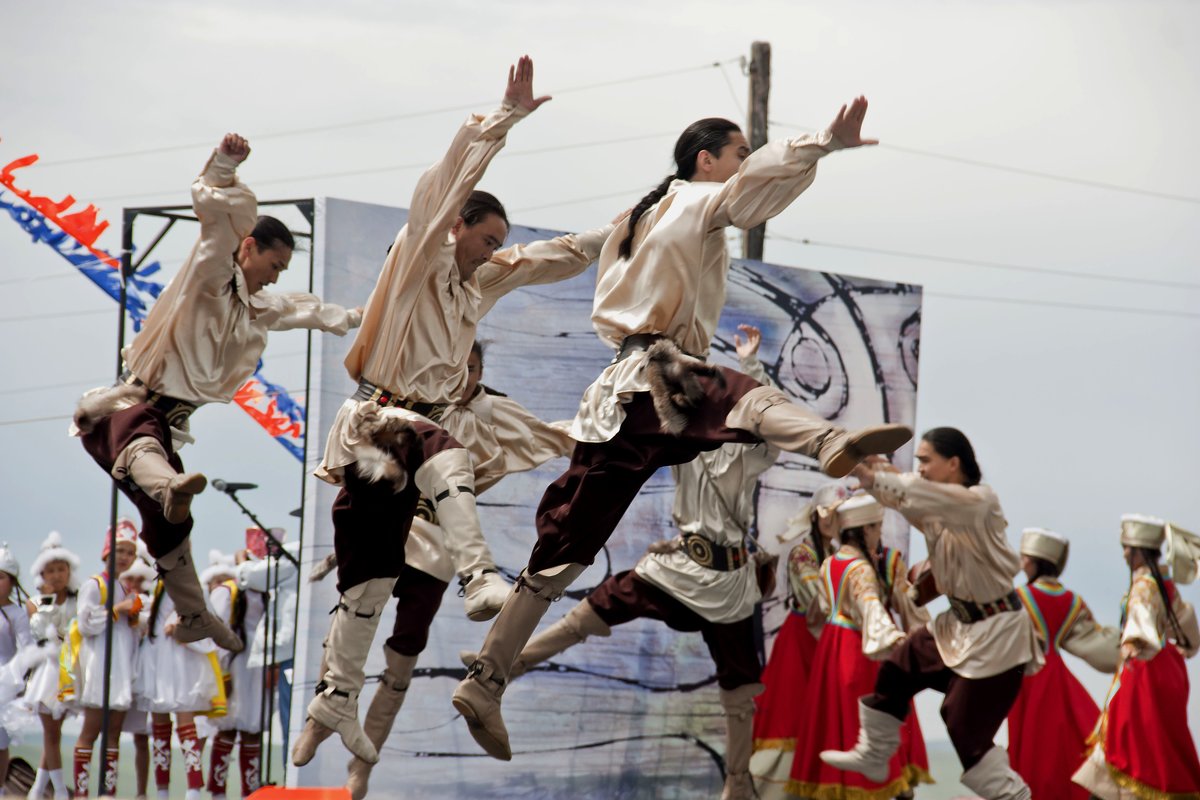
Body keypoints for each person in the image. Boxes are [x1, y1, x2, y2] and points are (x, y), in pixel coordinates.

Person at [454, 97, 913, 762]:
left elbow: (571, 251)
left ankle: (487, 679)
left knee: (564, 553)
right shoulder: (694, 203)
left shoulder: (633, 219)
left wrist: (489, 267)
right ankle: (827, 442)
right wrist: (821, 143)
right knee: (743, 399)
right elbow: (752, 197)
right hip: (660, 376)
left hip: (615, 393)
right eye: (737, 156)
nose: (743, 168)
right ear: (708, 162)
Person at [297, 55, 613, 766]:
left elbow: (560, 255)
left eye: (498, 244)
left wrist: (639, 223)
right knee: (442, 448)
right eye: (485, 240)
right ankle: (478, 576)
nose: (491, 253)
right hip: (379, 423)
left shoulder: (480, 285)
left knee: (370, 584)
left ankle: (335, 704)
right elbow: (443, 191)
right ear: (458, 229)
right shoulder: (421, 259)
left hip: (412, 458)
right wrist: (503, 119)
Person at [459, 324, 782, 798]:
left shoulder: (747, 456)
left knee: (739, 682)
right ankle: (514, 663)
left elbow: (765, 419)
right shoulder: (686, 440)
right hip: (679, 565)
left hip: (728, 578)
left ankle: (737, 782)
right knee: (598, 605)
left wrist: (750, 364)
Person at [71, 132, 362, 654]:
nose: (276, 276)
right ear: (248, 248)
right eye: (274, 264)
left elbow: (314, 311)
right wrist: (225, 163)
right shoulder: (210, 275)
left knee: (172, 533)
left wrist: (373, 318)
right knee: (146, 456)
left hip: (168, 423)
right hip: (129, 407)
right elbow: (212, 212)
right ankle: (168, 490)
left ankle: (193, 616)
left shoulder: (257, 306)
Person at [341, 339, 577, 800]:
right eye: (457, 367)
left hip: (437, 546)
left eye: (472, 368)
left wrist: (613, 432)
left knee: (402, 658)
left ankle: (361, 766)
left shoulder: (496, 411)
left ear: (481, 370)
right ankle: (326, 711)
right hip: (390, 526)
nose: (463, 377)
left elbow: (554, 435)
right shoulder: (419, 396)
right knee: (350, 625)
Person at [820, 428, 1041, 800]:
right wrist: (880, 473)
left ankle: (1015, 797)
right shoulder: (940, 508)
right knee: (899, 666)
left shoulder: (979, 502)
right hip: (958, 626)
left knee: (962, 727)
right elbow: (914, 500)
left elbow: (921, 497)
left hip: (996, 637)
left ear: (954, 464)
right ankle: (876, 754)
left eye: (925, 460)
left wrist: (873, 476)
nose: (919, 467)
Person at [789, 494, 931, 798]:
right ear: (863, 529)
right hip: (859, 650)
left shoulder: (830, 563)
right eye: (876, 527)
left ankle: (837, 785)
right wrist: (896, 641)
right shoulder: (863, 569)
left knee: (832, 724)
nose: (879, 532)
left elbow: (822, 609)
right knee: (863, 724)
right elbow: (871, 610)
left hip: (832, 646)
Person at [1072, 515, 1200, 799]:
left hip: (1144, 670)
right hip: (1169, 669)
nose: (1125, 554)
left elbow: (1139, 626)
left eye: (1128, 548)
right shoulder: (1166, 585)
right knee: (1161, 742)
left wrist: (1131, 642)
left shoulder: (1143, 585)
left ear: (1141, 549)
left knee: (1129, 740)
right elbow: (1189, 633)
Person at [750, 482, 848, 799]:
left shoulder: (840, 555)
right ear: (816, 516)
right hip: (801, 644)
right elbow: (819, 601)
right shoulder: (802, 554)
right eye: (828, 514)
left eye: (839, 514)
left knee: (828, 722)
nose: (833, 520)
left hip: (829, 644)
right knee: (789, 717)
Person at [1006, 528, 1118, 799]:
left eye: (1025, 559)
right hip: (1058, 674)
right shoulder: (1073, 601)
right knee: (1065, 742)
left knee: (1032, 743)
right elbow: (1094, 642)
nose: (1022, 564)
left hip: (1030, 676)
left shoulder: (1020, 597)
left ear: (1034, 561)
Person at [66, 519, 143, 798]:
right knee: (92, 729)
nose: (124, 557)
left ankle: (107, 792)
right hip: (100, 664)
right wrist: (118, 608)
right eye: (120, 551)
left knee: (114, 731)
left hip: (120, 664)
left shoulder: (122, 586)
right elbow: (85, 624)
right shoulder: (94, 584)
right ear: (108, 552)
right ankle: (83, 793)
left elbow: (124, 626)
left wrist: (132, 617)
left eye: (130, 552)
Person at [136, 556, 222, 800]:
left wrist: (181, 627)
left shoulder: (193, 585)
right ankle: (162, 791)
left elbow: (210, 620)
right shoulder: (159, 584)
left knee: (186, 725)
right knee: (160, 728)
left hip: (183, 659)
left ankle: (193, 790)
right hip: (158, 659)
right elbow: (156, 617)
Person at [23, 531, 80, 800]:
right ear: (41, 575)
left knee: (54, 733)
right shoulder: (33, 603)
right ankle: (58, 791)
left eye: (61, 569)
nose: (56, 575)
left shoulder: (76, 600)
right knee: (51, 733)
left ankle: (37, 790)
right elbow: (40, 632)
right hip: (47, 673)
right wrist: (47, 604)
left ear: (69, 571)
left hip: (70, 671)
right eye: (51, 570)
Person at [206, 551, 264, 799]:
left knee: (253, 728)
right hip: (234, 665)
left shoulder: (268, 592)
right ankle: (217, 793)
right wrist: (224, 677)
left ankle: (249, 794)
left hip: (258, 666)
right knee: (227, 727)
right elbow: (217, 637)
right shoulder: (227, 591)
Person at [0, 543, 33, 791]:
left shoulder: (17, 615)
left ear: (11, 582)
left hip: (5, 684)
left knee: (0, 742)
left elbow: (26, 650)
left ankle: (1, 788)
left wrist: (20, 683)